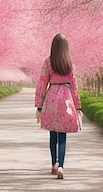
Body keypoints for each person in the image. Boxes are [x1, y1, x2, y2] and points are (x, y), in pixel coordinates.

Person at [34, 33, 82, 180]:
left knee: (52, 134)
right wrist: (78, 106)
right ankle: (61, 165)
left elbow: (42, 83)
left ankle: (54, 163)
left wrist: (39, 105)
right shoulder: (70, 64)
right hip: (66, 99)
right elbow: (74, 86)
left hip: (52, 98)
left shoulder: (48, 62)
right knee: (63, 135)